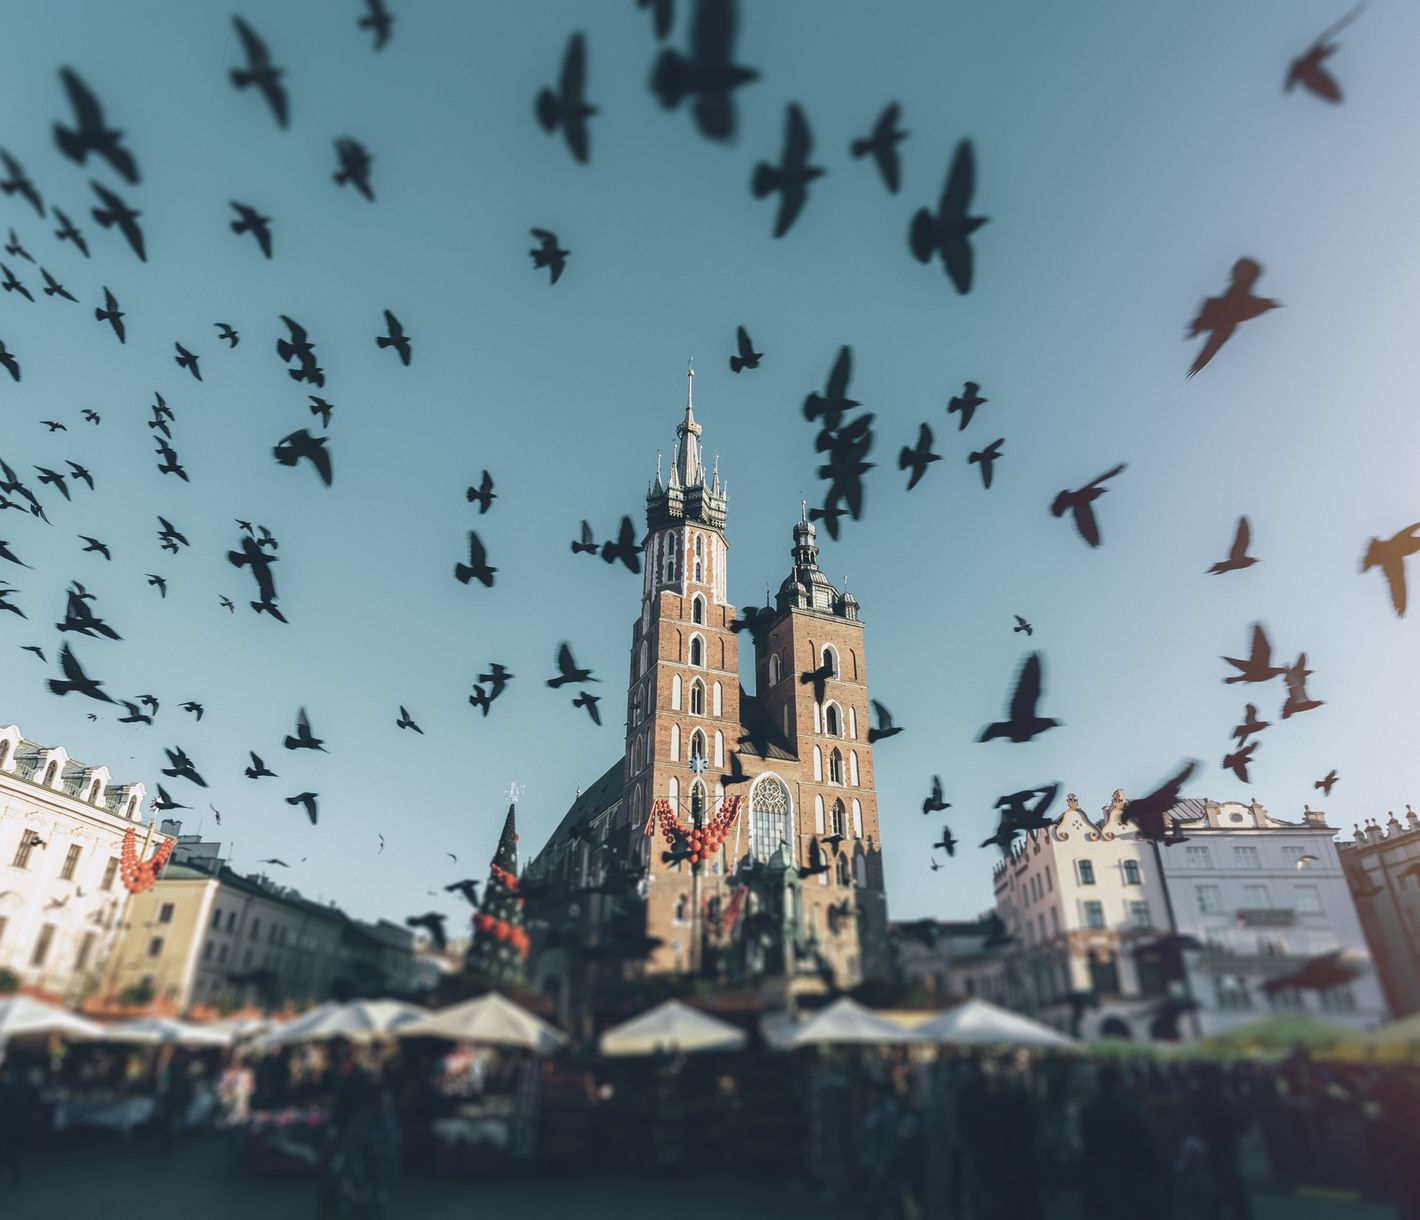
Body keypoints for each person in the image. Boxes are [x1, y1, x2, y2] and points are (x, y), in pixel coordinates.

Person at [320, 1077, 400, 1220]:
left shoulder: (390, 1124)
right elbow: (349, 1156)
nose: (387, 1106)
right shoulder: (360, 1124)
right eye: (384, 1102)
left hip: (376, 1182)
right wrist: (354, 1185)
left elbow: (391, 1156)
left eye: (389, 1102)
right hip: (353, 1180)